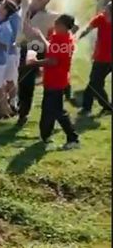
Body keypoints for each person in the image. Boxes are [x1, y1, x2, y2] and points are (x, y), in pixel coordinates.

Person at [25, 15, 81, 149]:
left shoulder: (59, 40)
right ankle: (45, 136)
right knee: (48, 109)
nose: (54, 26)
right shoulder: (66, 38)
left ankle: (73, 138)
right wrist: (41, 37)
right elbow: (52, 49)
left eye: (56, 24)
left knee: (57, 111)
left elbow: (53, 61)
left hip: (55, 80)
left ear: (62, 26)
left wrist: (35, 62)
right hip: (58, 80)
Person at [78, 3, 112, 115]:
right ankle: (89, 107)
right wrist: (77, 37)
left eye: (107, 9)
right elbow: (88, 28)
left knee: (94, 83)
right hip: (101, 58)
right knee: (95, 83)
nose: (104, 11)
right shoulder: (100, 19)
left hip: (108, 59)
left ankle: (101, 107)